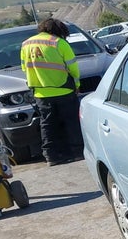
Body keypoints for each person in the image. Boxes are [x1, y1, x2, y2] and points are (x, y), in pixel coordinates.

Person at [20, 18, 83, 166]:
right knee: (71, 122)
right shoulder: (59, 43)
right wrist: (77, 84)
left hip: (41, 93)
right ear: (59, 30)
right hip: (63, 89)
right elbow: (73, 68)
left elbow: (24, 68)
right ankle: (77, 152)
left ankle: (51, 156)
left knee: (47, 125)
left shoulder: (26, 44)